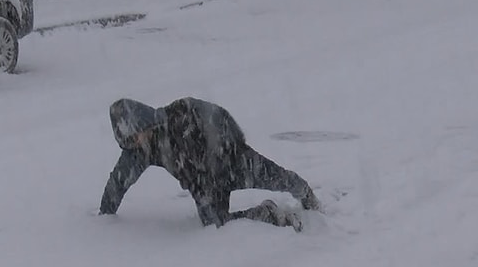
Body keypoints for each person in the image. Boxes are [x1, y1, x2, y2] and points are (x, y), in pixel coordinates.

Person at [99, 97, 322, 231]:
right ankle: (267, 214)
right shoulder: (139, 152)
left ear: (141, 121)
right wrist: (105, 213)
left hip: (233, 160)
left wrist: (228, 146)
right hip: (205, 186)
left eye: (135, 135)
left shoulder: (180, 111)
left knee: (279, 178)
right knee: (216, 226)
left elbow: (220, 117)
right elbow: (119, 180)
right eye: (129, 140)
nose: (136, 141)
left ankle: (309, 198)